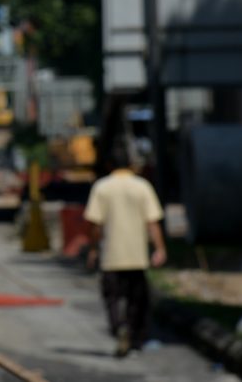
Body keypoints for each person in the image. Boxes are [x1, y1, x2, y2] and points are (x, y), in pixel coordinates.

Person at [84, 143, 166, 358]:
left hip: (111, 256)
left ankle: (119, 327)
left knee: (112, 298)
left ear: (109, 164)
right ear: (130, 164)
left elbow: (95, 225)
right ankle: (134, 337)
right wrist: (159, 248)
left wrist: (93, 249)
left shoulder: (102, 187)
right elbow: (152, 222)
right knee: (137, 300)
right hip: (137, 256)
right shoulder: (142, 186)